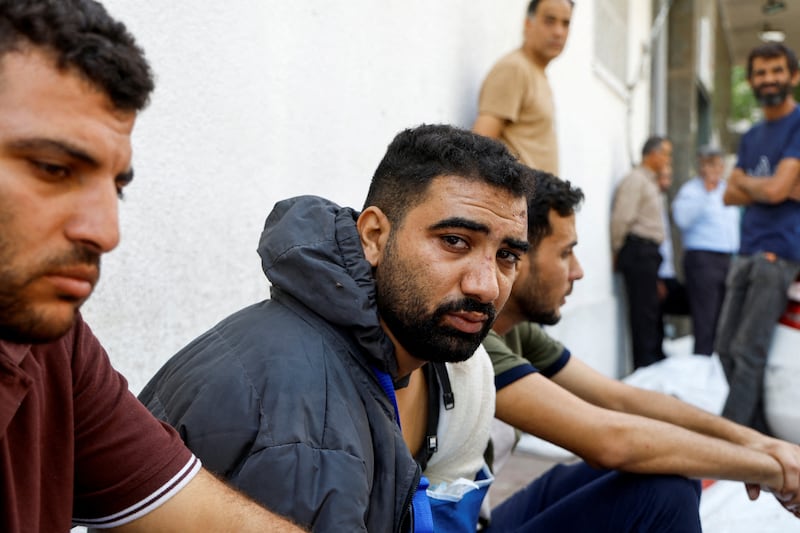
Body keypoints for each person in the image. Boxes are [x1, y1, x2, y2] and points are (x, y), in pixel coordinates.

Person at [0, 1, 304, 531]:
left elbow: (207, 521)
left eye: (117, 186)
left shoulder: (47, 341)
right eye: (53, 168)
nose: (106, 232)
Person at [138, 124, 532, 532]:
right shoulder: (305, 419)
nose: (485, 286)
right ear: (374, 236)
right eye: (454, 241)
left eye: (507, 255)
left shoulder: (434, 364)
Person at [480, 170, 800, 529]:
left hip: (482, 516)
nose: (579, 271)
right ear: (517, 256)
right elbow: (610, 440)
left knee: (671, 462)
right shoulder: (474, 340)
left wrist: (756, 442)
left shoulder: (516, 331)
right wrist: (773, 469)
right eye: (566, 253)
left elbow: (621, 399)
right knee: (666, 493)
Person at [716, 42, 800, 433]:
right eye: (761, 72)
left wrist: (750, 183)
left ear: (793, 76)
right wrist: (764, 186)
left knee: (748, 351)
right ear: (750, 81)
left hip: (779, 252)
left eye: (776, 70)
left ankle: (729, 441)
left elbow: (777, 191)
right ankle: (759, 433)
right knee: (725, 348)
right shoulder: (751, 136)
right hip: (746, 249)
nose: (769, 79)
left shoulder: (798, 124)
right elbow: (729, 194)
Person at [472, 0, 573, 174]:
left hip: (540, 198)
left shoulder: (537, 72)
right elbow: (478, 148)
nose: (558, 32)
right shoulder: (514, 68)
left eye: (565, 23)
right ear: (528, 24)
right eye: (549, 21)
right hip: (521, 198)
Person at [610, 135, 673, 369]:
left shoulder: (650, 182)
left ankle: (653, 362)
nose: (668, 159)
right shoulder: (636, 179)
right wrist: (617, 249)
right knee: (643, 314)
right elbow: (622, 218)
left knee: (651, 311)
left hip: (650, 254)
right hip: (638, 251)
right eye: (665, 153)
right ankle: (645, 368)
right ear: (652, 154)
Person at [672, 145, 740, 355]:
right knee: (705, 321)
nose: (713, 169)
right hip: (703, 260)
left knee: (724, 320)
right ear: (701, 166)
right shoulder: (691, 191)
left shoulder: (727, 189)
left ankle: (717, 367)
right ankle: (701, 369)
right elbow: (681, 219)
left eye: (717, 164)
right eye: (708, 163)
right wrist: (706, 194)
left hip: (727, 259)